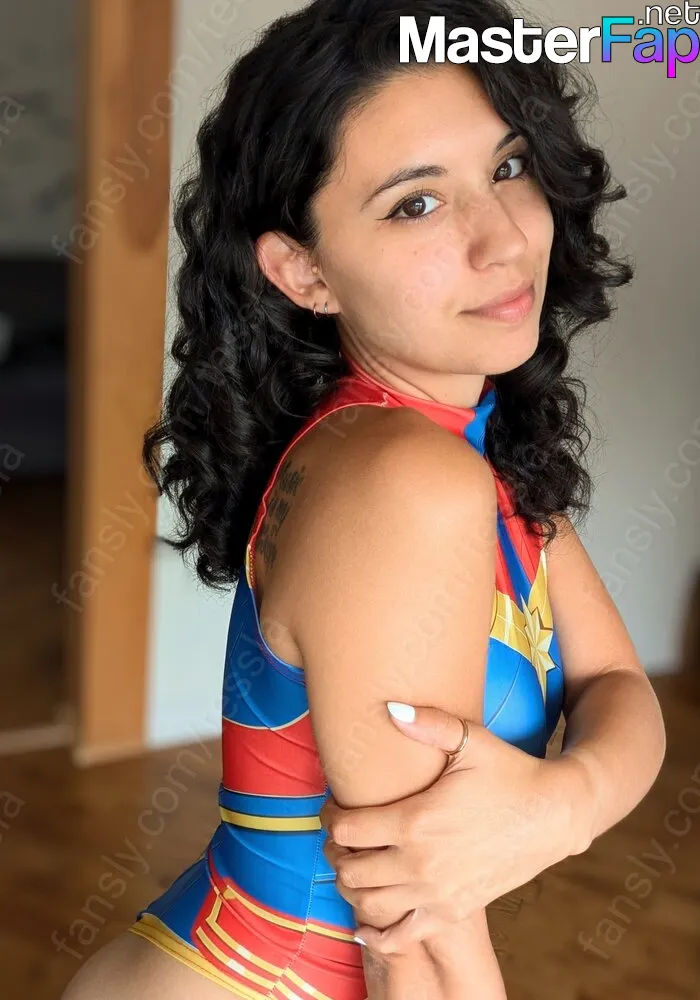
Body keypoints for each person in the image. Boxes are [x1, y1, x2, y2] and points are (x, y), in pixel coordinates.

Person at [60, 0, 667, 997]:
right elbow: (412, 934)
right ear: (304, 272)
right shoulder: (403, 482)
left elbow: (619, 688)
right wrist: (569, 800)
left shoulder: (472, 444)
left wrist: (565, 803)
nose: (502, 239)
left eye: (508, 166)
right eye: (415, 203)